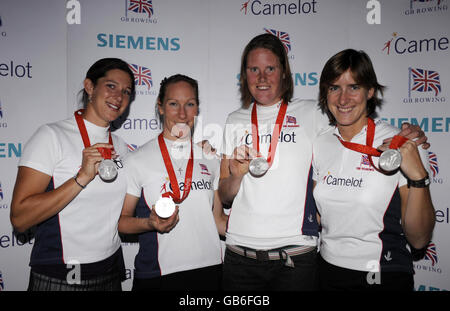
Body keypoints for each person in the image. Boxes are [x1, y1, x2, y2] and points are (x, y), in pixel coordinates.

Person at [218, 33, 429, 291]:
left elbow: (356, 123)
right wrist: (237, 176)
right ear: (244, 74)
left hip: (298, 258)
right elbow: (225, 196)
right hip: (244, 257)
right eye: (254, 69)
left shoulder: (314, 114)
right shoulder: (234, 120)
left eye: (270, 68)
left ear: (284, 72)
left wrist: (409, 136)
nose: (262, 77)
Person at [313, 49, 435, 290]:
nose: (343, 99)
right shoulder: (321, 141)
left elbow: (419, 240)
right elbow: (320, 216)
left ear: (370, 91)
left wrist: (419, 177)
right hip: (326, 268)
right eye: (334, 88)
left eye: (354, 87)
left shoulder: (401, 143)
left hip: (381, 272)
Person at [10, 58, 136, 291]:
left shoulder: (121, 146)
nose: (119, 96)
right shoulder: (51, 136)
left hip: (110, 273)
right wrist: (81, 178)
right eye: (111, 86)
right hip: (61, 277)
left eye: (126, 91)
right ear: (89, 86)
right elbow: (20, 218)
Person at [118, 74, 227, 291]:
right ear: (160, 107)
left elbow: (218, 221)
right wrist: (149, 224)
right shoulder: (136, 159)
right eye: (173, 104)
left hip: (210, 271)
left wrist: (261, 230)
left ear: (197, 109)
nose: (182, 114)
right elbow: (122, 222)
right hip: (158, 276)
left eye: (190, 104)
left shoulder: (211, 159)